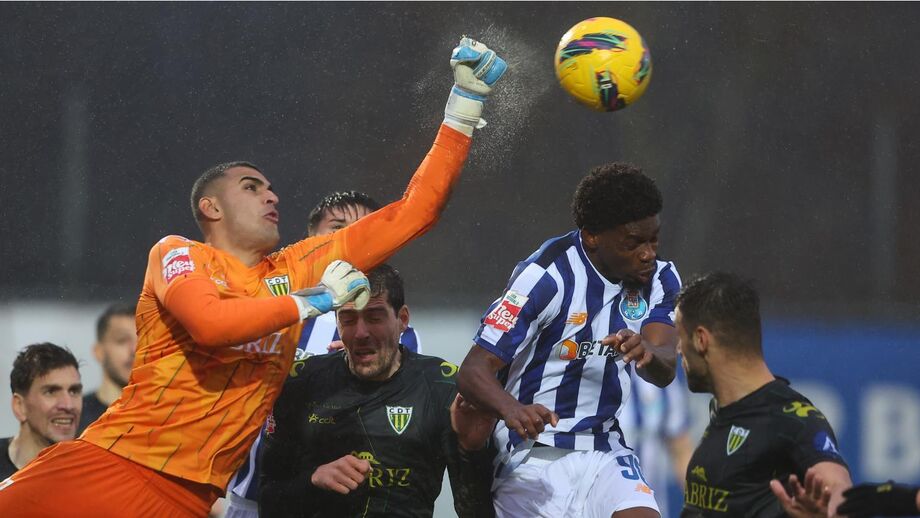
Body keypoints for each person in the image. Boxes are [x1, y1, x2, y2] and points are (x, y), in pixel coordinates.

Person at [0, 37, 506, 517]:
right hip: (113, 465)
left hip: (190, 498)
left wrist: (463, 106)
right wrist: (314, 300)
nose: (272, 196)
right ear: (211, 206)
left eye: (271, 188)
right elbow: (211, 326)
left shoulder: (295, 268)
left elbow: (414, 212)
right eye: (251, 187)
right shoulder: (179, 254)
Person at [458, 163, 681, 518]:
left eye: (653, 239)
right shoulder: (544, 277)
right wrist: (512, 409)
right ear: (592, 236)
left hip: (604, 449)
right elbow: (472, 371)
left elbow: (666, 366)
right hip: (531, 453)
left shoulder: (660, 279)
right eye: (633, 243)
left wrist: (649, 353)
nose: (648, 253)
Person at [225, 191, 422, 518]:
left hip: (338, 506)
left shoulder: (396, 335)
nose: (349, 239)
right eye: (337, 228)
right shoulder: (274, 311)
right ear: (309, 240)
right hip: (252, 501)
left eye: (363, 229)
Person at [259, 264, 495, 517]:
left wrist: (473, 450)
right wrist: (313, 480)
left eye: (374, 317)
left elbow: (474, 511)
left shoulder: (442, 387)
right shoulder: (301, 382)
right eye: (348, 319)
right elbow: (267, 502)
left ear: (402, 319)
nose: (361, 333)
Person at [675, 272, 852, 517]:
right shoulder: (725, 412)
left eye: (679, 337)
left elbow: (837, 488)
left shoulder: (793, 419)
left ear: (700, 339)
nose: (677, 350)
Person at [618, 369, 694, 518]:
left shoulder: (661, 375)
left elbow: (681, 449)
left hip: (651, 509)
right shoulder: (584, 374)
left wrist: (704, 507)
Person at [0, 343, 82, 481]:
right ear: (20, 406)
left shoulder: (95, 473)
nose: (68, 405)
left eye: (74, 391)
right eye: (51, 392)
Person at [77, 303, 138, 434]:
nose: (135, 349)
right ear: (98, 352)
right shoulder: (74, 417)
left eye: (143, 340)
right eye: (121, 340)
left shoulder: (165, 415)